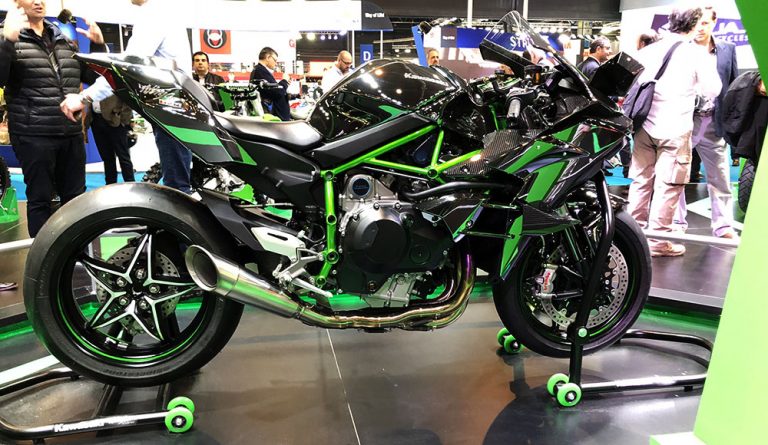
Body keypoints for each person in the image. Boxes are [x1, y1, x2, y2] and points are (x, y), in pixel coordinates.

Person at [60, 0, 194, 193]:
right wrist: (99, 45)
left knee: (177, 188)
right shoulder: (162, 12)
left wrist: (84, 97)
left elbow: (127, 68)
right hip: (173, 107)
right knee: (178, 184)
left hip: (172, 109)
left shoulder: (154, 14)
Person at [0, 0, 105, 237]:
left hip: (70, 131)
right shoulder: (7, 36)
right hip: (32, 134)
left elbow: (91, 77)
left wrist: (98, 46)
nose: (38, 2)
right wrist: (7, 41)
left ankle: (75, 252)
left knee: (76, 199)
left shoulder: (63, 38)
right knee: (40, 198)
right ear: (16, 3)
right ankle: (42, 256)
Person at [626, 6, 721, 257]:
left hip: (643, 125)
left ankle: (633, 236)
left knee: (640, 181)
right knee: (668, 185)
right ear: (694, 24)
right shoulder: (695, 53)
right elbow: (712, 90)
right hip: (675, 128)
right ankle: (658, 242)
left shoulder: (649, 50)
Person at [673, 5, 739, 239]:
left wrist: (731, 122)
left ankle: (723, 225)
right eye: (696, 23)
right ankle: (676, 222)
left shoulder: (727, 49)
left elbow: (733, 86)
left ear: (714, 23)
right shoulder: (681, 48)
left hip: (714, 123)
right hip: (684, 121)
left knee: (720, 177)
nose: (700, 28)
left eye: (704, 23)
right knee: (677, 174)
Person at [90, 95, 135, 184]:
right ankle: (110, 185)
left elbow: (127, 98)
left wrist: (124, 120)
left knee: (123, 156)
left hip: (116, 120)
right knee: (107, 157)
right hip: (96, 120)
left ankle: (130, 184)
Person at [250, 47, 292, 121]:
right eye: (275, 60)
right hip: (275, 119)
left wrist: (285, 85)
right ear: (268, 57)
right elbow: (277, 92)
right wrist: (284, 81)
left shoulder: (259, 70)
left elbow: (272, 90)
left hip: (275, 117)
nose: (276, 63)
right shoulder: (260, 71)